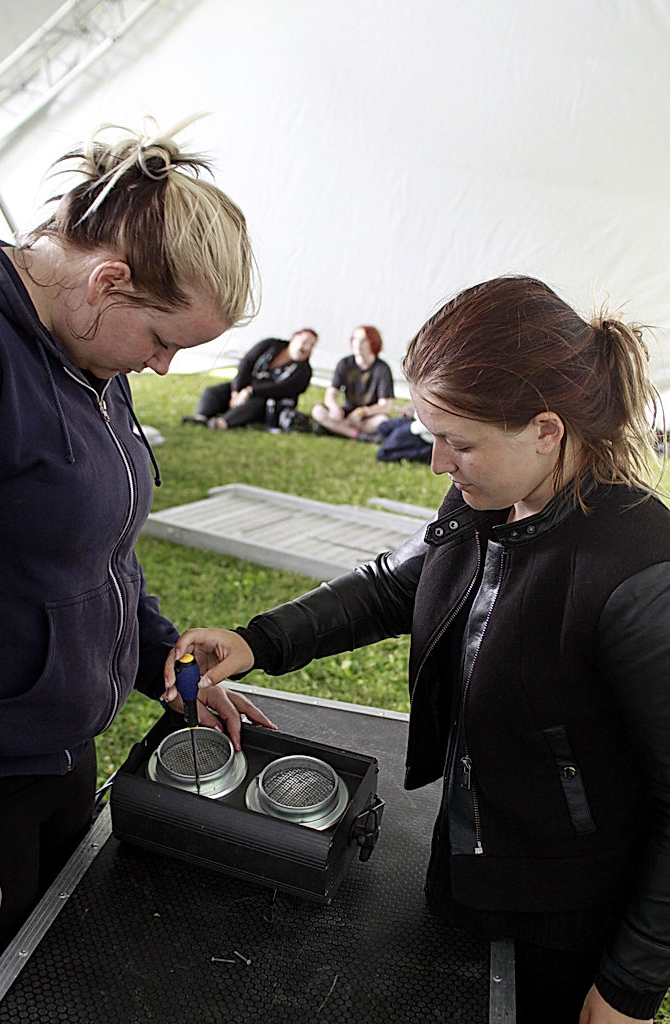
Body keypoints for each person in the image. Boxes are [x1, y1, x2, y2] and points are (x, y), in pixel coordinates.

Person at [164, 276, 670, 1024]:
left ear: (546, 430)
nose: (436, 463)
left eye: (458, 443)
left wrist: (628, 987)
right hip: (466, 860)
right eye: (430, 433)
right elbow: (389, 586)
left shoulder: (639, 575)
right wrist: (257, 640)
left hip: (565, 915)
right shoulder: (483, 501)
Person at [0, 116, 275, 970]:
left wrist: (163, 662)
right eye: (162, 342)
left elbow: (98, 546)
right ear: (109, 281)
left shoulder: (90, 353)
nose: (159, 370)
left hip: (60, 750)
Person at [182, 328, 318, 430]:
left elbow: (280, 389)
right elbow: (246, 363)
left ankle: (222, 423)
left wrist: (250, 392)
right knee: (213, 392)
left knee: (255, 404)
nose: (306, 348)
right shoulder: (270, 345)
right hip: (244, 388)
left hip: (268, 400)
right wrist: (236, 390)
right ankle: (201, 417)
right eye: (305, 341)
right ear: (294, 338)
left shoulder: (304, 371)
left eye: (311, 346)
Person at [311, 324, 394, 440]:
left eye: (363, 340)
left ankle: (335, 429)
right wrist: (334, 407)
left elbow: (386, 405)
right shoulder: (345, 363)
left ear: (373, 342)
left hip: (367, 416)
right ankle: (358, 435)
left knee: (382, 421)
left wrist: (362, 412)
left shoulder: (382, 369)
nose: (358, 344)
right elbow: (331, 392)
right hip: (346, 414)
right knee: (318, 411)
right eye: (355, 339)